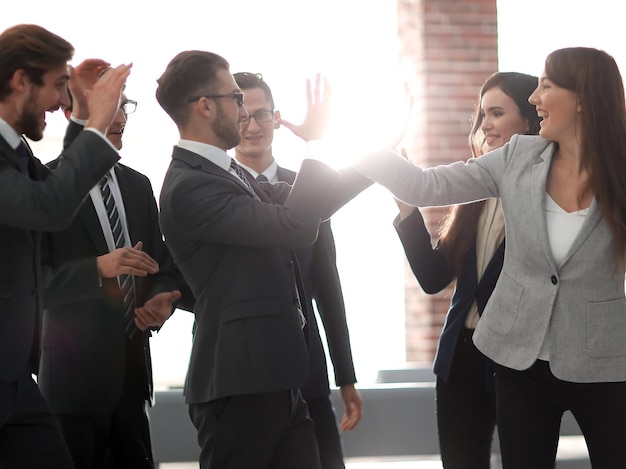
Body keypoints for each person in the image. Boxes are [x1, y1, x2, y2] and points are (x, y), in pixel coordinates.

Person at [353, 47, 626, 468]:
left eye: (547, 86)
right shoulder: (517, 158)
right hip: (520, 364)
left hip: (606, 361)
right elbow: (424, 186)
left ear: (583, 98)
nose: (535, 98)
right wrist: (360, 138)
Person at [156, 50, 370, 469]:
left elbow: (312, 204)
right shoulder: (191, 185)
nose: (243, 111)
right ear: (205, 106)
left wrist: (382, 155)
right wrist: (316, 141)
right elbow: (295, 225)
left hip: (280, 380)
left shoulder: (226, 175)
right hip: (238, 387)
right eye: (236, 98)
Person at [39, 62, 193, 469]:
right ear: (73, 114)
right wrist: (98, 267)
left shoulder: (139, 185)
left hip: (133, 378)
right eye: (113, 104)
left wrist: (162, 300)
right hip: (71, 386)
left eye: (126, 103)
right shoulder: (44, 186)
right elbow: (32, 283)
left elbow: (163, 267)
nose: (122, 116)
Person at [393, 72, 540, 468]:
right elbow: (433, 277)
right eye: (482, 114)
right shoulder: (473, 191)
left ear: (529, 121)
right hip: (460, 359)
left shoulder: (547, 194)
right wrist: (406, 205)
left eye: (496, 112)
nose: (485, 124)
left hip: (518, 360)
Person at [0, 24, 130, 468]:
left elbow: (55, 192)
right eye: (57, 87)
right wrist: (97, 119)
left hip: (15, 377)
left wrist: (80, 119)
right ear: (21, 81)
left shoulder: (14, 153)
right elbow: (50, 208)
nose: (60, 100)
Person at [233, 71, 363, 468]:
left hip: (308, 372)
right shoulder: (217, 188)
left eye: (262, 115)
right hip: (242, 375)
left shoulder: (310, 184)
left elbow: (327, 285)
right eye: (242, 117)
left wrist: (346, 376)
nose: (252, 126)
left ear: (277, 119)